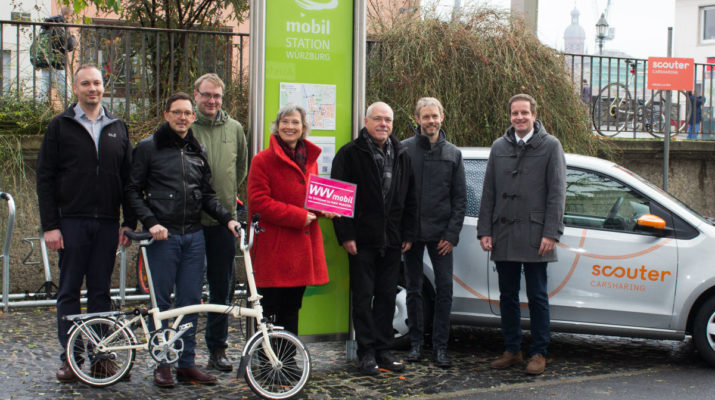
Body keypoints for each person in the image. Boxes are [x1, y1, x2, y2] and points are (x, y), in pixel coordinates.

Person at [125, 92, 239, 388]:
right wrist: (151, 223)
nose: (183, 118)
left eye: (187, 113)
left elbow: (207, 195)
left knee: (190, 303)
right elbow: (132, 191)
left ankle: (186, 363)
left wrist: (228, 218)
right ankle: (163, 362)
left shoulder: (196, 149)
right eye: (177, 112)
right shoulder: (148, 148)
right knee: (161, 304)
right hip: (163, 238)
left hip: (194, 236)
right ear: (166, 114)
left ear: (192, 117)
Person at [36, 64, 135, 383]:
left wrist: (128, 222)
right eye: (85, 84)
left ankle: (101, 356)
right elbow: (45, 178)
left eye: (97, 83)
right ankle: (71, 357)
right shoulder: (60, 126)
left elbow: (128, 179)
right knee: (68, 291)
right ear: (75, 88)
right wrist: (50, 226)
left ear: (103, 87)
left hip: (107, 224)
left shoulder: (118, 126)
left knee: (100, 293)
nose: (92, 89)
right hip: (71, 223)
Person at [477, 93, 566, 376]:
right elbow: (488, 191)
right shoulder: (499, 147)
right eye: (515, 113)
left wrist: (551, 232)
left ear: (534, 115)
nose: (519, 117)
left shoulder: (551, 146)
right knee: (507, 296)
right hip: (503, 232)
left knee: (538, 296)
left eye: (524, 113)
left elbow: (557, 194)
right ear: (510, 116)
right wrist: (485, 230)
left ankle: (539, 352)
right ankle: (512, 350)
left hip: (537, 234)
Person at [331, 101, 417, 376]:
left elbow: (411, 198)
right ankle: (365, 353)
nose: (383, 124)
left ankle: (383, 350)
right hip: (362, 240)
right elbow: (339, 199)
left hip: (392, 240)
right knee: (363, 298)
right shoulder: (349, 154)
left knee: (386, 299)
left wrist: (408, 233)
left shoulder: (402, 153)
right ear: (366, 122)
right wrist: (346, 235)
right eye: (378, 119)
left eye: (388, 120)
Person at [247, 104, 335, 336]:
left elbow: (311, 198)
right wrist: (297, 216)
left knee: (292, 307)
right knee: (271, 309)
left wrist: (325, 209)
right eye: (285, 121)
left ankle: (288, 362)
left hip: (300, 249)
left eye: (295, 122)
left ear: (303, 127)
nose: (290, 126)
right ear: (277, 126)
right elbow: (258, 202)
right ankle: (267, 362)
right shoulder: (262, 160)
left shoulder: (310, 160)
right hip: (274, 248)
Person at [402, 97, 466, 368]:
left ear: (442, 117)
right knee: (413, 290)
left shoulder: (453, 153)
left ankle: (440, 347)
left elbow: (459, 199)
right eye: (425, 116)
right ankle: (415, 344)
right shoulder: (404, 150)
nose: (431, 121)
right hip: (412, 235)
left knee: (445, 291)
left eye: (434, 116)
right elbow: (399, 196)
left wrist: (451, 235)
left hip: (441, 236)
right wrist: (403, 232)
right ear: (417, 119)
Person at [191, 73, 248, 372]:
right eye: (206, 95)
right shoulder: (187, 127)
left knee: (222, 287)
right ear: (196, 95)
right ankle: (184, 352)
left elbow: (241, 168)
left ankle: (218, 348)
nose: (211, 101)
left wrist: (224, 200)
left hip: (224, 222)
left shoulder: (235, 128)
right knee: (187, 288)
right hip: (191, 221)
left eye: (217, 96)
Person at [36, 6, 77, 101]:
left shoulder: (48, 25)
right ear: (68, 15)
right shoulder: (61, 26)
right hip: (57, 64)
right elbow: (69, 46)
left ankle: (38, 108)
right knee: (66, 93)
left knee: (44, 87)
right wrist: (74, 39)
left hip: (46, 62)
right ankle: (68, 111)